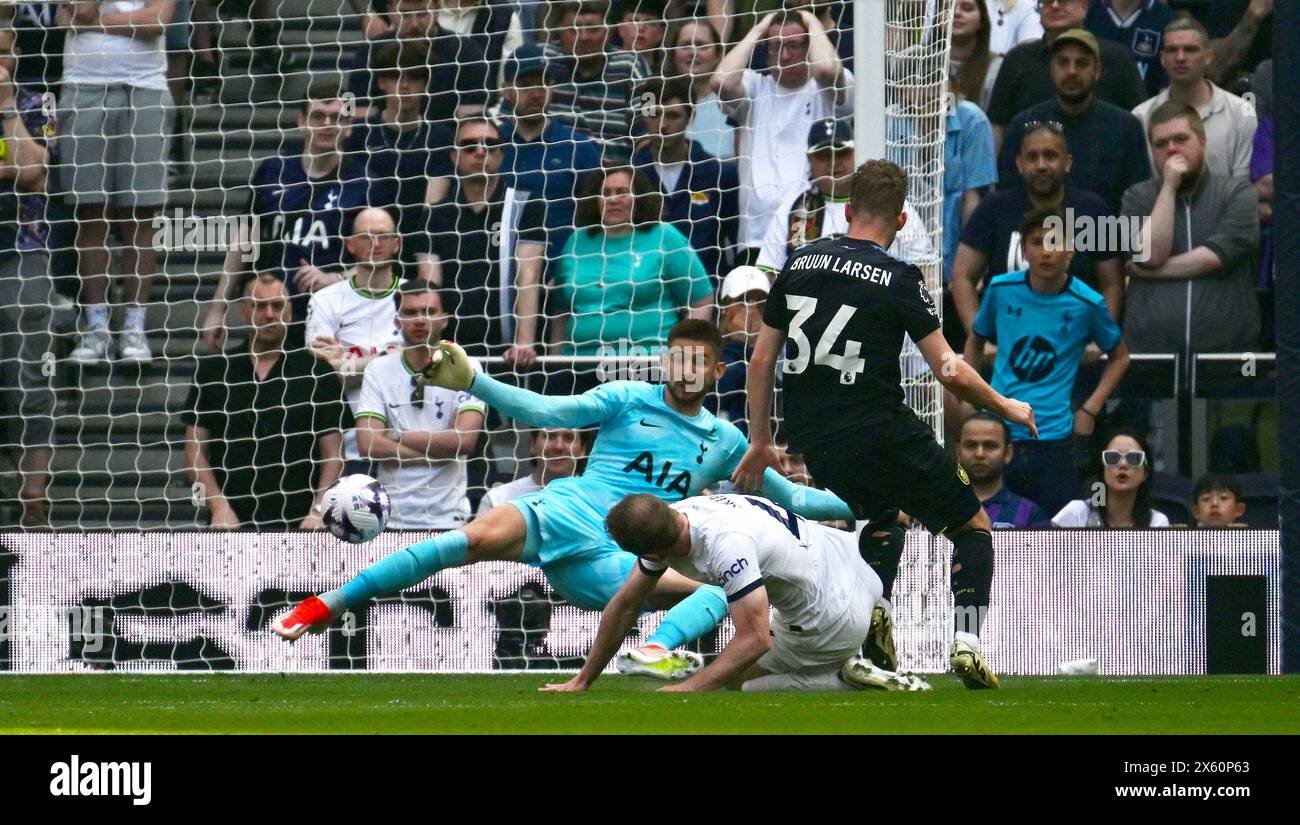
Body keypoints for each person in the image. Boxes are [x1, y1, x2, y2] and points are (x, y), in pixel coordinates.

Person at [273, 320, 859, 685]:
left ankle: (654, 650)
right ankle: (325, 604)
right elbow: (550, 413)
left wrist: (867, 499)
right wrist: (475, 382)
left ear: (717, 370)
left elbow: (796, 500)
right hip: (570, 508)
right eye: (676, 357)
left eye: (697, 361)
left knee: (717, 588)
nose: (684, 369)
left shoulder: (729, 442)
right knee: (470, 541)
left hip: (624, 555)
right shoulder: (629, 397)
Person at [732, 159, 1038, 690]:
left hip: (817, 442)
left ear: (846, 211)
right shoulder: (900, 278)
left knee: (884, 515)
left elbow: (761, 362)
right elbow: (947, 368)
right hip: (881, 428)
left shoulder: (797, 264)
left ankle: (876, 620)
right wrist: (1004, 404)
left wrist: (760, 440)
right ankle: (965, 642)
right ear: (900, 222)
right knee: (972, 526)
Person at [541, 492, 931, 693]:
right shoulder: (680, 513)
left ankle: (841, 677)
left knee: (733, 680)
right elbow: (626, 604)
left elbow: (754, 639)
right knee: (729, 659)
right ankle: (870, 627)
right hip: (850, 560)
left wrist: (690, 689)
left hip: (830, 618)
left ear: (653, 551)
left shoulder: (726, 546)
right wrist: (584, 679)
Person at [963, 207, 1131, 518]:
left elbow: (1120, 357)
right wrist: (970, 397)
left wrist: (1090, 408)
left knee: (1053, 532)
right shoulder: (1000, 289)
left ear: (1071, 248)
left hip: (1053, 437)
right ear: (1023, 249)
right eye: (1037, 242)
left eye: (1055, 241)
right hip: (999, 428)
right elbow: (975, 341)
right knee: (988, 522)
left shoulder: (1088, 302)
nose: (1045, 251)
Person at [201, 80, 397, 346]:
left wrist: (335, 279)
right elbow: (244, 242)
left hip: (335, 318)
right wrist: (217, 309)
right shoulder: (272, 171)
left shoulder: (366, 184)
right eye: (318, 116)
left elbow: (382, 258)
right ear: (302, 122)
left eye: (337, 118)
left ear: (349, 127)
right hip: (270, 312)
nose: (327, 124)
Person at [183, 274, 350, 530]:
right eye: (260, 305)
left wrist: (319, 511)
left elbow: (334, 454)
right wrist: (218, 507)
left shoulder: (318, 373)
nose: (269, 314)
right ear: (243, 310)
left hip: (301, 524)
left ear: (291, 311)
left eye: (277, 305)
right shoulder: (214, 371)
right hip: (230, 523)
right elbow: (195, 452)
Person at [62, 0, 176, 365]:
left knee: (139, 216)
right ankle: (95, 325)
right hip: (82, 87)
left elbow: (156, 20)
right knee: (89, 212)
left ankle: (134, 326)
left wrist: (96, 23)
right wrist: (109, 20)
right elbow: (73, 14)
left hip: (145, 87)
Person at [952, 121, 1124, 344]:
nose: (1041, 165)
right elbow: (962, 278)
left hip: (1074, 352)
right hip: (1007, 353)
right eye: (1032, 157)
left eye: (1050, 156)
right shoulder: (994, 208)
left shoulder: (1094, 210)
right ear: (1019, 164)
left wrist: (1100, 339)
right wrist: (978, 339)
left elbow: (1112, 284)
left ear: (1067, 162)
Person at [1121, 102, 1260, 358]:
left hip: (1225, 358)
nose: (1172, 149)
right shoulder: (1136, 197)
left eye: (1181, 139)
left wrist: (1151, 274)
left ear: (1203, 141)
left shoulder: (1237, 194)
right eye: (1161, 145)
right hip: (1151, 357)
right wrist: (1169, 188)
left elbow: (1214, 258)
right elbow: (1149, 255)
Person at [715, 9, 851, 263]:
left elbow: (825, 69)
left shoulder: (825, 90)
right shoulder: (754, 85)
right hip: (756, 234)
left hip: (816, 230)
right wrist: (759, 29)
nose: (784, 56)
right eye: (776, 47)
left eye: (794, 46)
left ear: (810, 45)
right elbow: (720, 82)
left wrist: (809, 20)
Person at [549, 166, 713, 370]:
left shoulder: (664, 236)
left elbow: (702, 301)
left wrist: (681, 354)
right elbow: (560, 311)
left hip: (648, 364)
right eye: (605, 193)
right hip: (579, 365)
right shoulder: (576, 241)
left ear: (639, 197)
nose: (613, 199)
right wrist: (556, 363)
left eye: (622, 192)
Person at [416, 117, 548, 365]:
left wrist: (524, 342)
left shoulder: (526, 206)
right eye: (469, 146)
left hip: (509, 353)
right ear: (455, 156)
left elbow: (528, 276)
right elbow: (429, 285)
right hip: (451, 349)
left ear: (501, 154)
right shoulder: (434, 215)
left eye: (489, 144)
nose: (480, 151)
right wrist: (430, 345)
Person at [354, 283, 486, 530]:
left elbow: (464, 441)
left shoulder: (468, 367)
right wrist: (439, 449)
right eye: (411, 313)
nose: (419, 320)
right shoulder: (378, 370)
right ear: (397, 321)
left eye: (428, 311)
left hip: (449, 519)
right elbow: (368, 444)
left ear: (444, 319)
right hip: (390, 519)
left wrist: (398, 436)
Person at [996, 28, 1150, 212]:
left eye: (1082, 63)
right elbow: (1006, 197)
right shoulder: (1023, 125)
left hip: (1103, 235)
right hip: (1035, 234)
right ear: (1051, 69)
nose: (1071, 71)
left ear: (1097, 71)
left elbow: (1138, 202)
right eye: (1063, 62)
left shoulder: (1126, 127)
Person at [756, 118, 933, 273]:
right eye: (824, 155)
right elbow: (769, 273)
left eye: (841, 152)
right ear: (809, 159)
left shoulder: (886, 200)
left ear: (855, 153)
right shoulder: (792, 207)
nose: (834, 162)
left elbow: (925, 267)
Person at [0, 26, 54, 526]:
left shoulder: (39, 103)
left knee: (28, 381)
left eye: (7, 46)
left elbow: (34, 171)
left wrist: (3, 104)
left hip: (20, 253)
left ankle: (33, 503)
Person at [305, 207, 404, 467]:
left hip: (407, 441)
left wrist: (349, 361)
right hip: (349, 449)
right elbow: (326, 377)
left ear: (397, 243)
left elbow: (423, 368)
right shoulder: (326, 300)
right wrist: (391, 358)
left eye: (383, 236)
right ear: (350, 245)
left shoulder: (416, 299)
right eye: (366, 237)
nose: (375, 244)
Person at [986, 0, 1145, 145]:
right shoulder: (1018, 59)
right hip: (1034, 166)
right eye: (1047, 2)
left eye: (1064, 1)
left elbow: (1137, 118)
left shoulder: (1116, 57)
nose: (1054, 6)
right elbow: (998, 125)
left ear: (1085, 6)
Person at [345, 40, 454, 242]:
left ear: (425, 84)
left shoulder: (441, 137)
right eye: (395, 76)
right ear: (381, 82)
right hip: (367, 239)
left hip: (420, 241)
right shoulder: (360, 133)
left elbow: (432, 209)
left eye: (413, 77)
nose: (404, 85)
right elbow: (352, 196)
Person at [631, 76, 738, 281]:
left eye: (673, 116)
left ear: (691, 116)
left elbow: (734, 239)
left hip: (706, 289)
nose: (662, 125)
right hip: (645, 293)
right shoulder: (630, 177)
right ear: (644, 116)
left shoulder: (719, 175)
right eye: (654, 114)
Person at [1130, 17, 1257, 179]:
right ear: (1162, 58)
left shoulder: (1240, 113)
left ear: (1208, 57)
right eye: (1172, 50)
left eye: (1190, 49)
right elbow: (1140, 188)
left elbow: (1242, 186)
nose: (1180, 57)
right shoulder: (1141, 116)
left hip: (1224, 204)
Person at [497, 44, 602, 236]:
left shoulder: (579, 148)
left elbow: (594, 217)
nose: (536, 94)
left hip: (561, 260)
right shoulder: (490, 145)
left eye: (543, 83)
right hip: (499, 257)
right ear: (506, 91)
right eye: (525, 85)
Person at [345, 0, 489, 125]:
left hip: (445, 148)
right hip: (381, 146)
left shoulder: (466, 51)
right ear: (389, 11)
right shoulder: (369, 51)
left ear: (437, 8)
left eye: (422, 14)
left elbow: (472, 120)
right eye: (405, 15)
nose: (414, 24)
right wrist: (347, 123)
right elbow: (349, 98)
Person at [542, 0, 650, 163]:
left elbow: (651, 121)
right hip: (552, 173)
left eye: (593, 29)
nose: (584, 37)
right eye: (575, 29)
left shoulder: (632, 64)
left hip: (611, 178)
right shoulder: (542, 59)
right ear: (559, 30)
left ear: (608, 31)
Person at [1051, 428, 1169, 527]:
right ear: (1103, 470)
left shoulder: (1157, 522)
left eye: (1134, 458)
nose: (1122, 464)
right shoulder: (1077, 513)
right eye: (1112, 457)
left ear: (1145, 474)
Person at [942, 82, 998, 283]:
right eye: (918, 83)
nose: (929, 92)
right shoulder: (891, 119)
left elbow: (975, 197)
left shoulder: (972, 120)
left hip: (956, 246)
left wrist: (972, 266)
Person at [958, 412, 1050, 528]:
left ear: (1008, 453)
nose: (979, 454)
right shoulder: (940, 508)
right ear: (958, 452)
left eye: (990, 446)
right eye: (970, 445)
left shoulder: (1030, 514)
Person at [476, 427, 590, 515]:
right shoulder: (498, 499)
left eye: (569, 438)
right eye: (550, 436)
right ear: (532, 444)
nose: (558, 446)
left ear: (583, 450)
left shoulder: (596, 499)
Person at [664, 17, 734, 161]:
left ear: (718, 55)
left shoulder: (735, 94)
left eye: (702, 45)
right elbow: (646, 123)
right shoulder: (650, 92)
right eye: (685, 45)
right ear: (672, 54)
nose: (693, 52)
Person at [713, 265, 768, 434]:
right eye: (744, 302)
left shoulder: (780, 354)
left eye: (759, 304)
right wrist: (739, 344)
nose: (751, 312)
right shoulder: (706, 349)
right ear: (726, 308)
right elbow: (717, 393)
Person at [1085, 0, 1176, 97]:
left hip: (1144, 109)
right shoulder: (1088, 11)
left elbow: (1167, 86)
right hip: (1092, 107)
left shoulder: (1166, 19)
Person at [950, 0, 1005, 112]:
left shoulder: (998, 67)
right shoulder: (918, 60)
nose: (956, 13)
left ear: (982, 21)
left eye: (967, 8)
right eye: (947, 9)